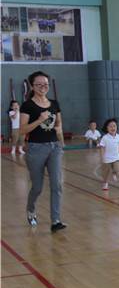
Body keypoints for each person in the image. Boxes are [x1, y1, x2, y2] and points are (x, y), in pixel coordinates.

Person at [19, 71, 66, 232]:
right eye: (39, 84)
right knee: (37, 187)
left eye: (45, 84)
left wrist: (60, 138)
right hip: (36, 148)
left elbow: (59, 123)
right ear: (32, 86)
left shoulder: (54, 103)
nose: (43, 87)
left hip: (54, 147)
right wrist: (39, 120)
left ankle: (56, 220)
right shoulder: (27, 105)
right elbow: (22, 130)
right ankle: (31, 209)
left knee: (57, 184)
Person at [99, 118, 119, 191]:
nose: (112, 128)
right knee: (106, 173)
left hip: (116, 157)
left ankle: (114, 173)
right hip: (107, 158)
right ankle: (105, 184)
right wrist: (102, 156)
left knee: (118, 169)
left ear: (117, 127)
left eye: (114, 126)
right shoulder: (105, 138)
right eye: (110, 126)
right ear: (106, 128)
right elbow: (102, 148)